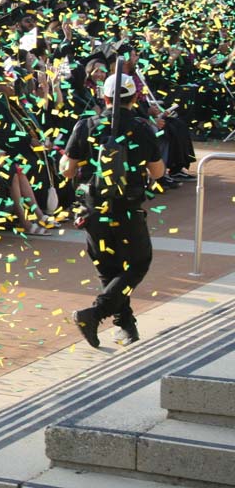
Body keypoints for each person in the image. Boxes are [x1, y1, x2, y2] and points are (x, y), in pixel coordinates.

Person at [60, 70, 164, 348]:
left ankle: (124, 325)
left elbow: (68, 171)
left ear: (103, 96)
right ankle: (99, 314)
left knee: (109, 268)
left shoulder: (86, 125)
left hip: (93, 209)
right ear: (135, 97)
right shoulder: (142, 127)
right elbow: (157, 171)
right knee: (138, 262)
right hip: (127, 208)